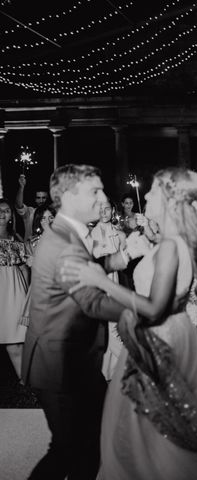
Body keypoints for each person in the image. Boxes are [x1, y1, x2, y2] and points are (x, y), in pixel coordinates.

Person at [61, 167, 197, 480]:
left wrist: (100, 280)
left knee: (157, 421)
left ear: (170, 200)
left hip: (160, 338)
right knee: (158, 422)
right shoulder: (170, 240)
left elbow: (154, 307)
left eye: (155, 191)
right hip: (166, 334)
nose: (150, 195)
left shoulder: (171, 246)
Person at [21, 165, 132, 480]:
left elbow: (82, 269)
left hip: (77, 358)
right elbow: (92, 301)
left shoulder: (66, 232)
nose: (103, 197)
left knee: (90, 444)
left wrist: (119, 258)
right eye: (94, 191)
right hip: (60, 364)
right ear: (69, 197)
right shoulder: (64, 243)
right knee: (67, 449)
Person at [91, 199, 128, 381]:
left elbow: (126, 263)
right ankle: (111, 371)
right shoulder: (89, 235)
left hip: (116, 286)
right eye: (100, 209)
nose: (104, 212)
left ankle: (125, 368)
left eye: (107, 208)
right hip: (98, 288)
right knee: (103, 330)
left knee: (114, 328)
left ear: (113, 210)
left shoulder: (120, 235)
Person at [0, 199, 29, 379]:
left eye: (7, 211)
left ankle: (25, 382)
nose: (3, 214)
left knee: (16, 341)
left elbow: (24, 269)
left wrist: (26, 298)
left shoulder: (16, 238)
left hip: (14, 291)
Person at [15, 174, 49, 240]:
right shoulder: (30, 212)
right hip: (30, 248)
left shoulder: (52, 213)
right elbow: (19, 205)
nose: (41, 201)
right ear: (35, 199)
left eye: (44, 198)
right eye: (38, 198)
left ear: (47, 198)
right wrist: (21, 187)